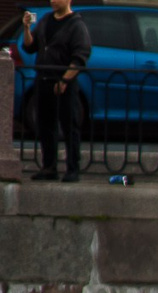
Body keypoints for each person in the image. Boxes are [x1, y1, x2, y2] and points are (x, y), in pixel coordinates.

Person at [19, 0, 90, 185]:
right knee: (45, 125)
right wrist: (26, 28)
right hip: (43, 80)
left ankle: (72, 168)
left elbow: (80, 56)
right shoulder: (45, 20)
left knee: (69, 126)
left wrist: (65, 80)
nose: (53, 1)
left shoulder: (76, 25)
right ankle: (49, 167)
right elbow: (30, 46)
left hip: (63, 83)